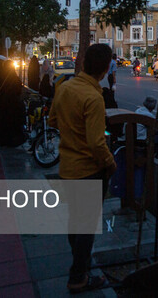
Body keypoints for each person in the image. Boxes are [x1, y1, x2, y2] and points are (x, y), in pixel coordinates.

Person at [48, 44, 117, 293]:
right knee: (86, 226)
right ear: (106, 68)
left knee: (75, 220)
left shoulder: (65, 87)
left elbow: (52, 120)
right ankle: (78, 277)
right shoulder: (93, 98)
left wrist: (71, 131)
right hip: (89, 171)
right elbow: (97, 143)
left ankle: (82, 266)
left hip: (67, 168)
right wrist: (111, 164)